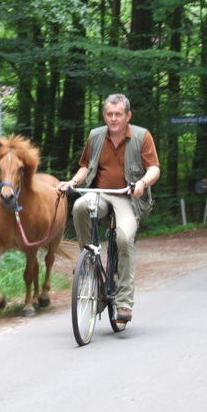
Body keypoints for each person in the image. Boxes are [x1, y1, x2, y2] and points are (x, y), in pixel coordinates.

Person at [56, 94, 160, 322]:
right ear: (104, 115)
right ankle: (89, 261)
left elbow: (154, 168)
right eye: (109, 114)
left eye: (118, 114)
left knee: (123, 239)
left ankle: (124, 303)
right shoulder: (95, 137)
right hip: (99, 193)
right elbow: (85, 167)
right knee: (80, 206)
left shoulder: (142, 136)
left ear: (127, 116)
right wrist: (72, 182)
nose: (113, 119)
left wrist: (143, 183)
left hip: (127, 196)